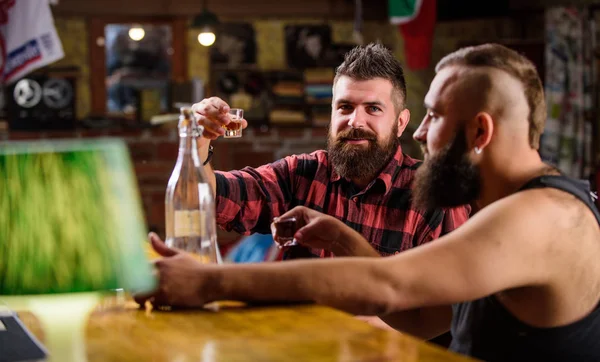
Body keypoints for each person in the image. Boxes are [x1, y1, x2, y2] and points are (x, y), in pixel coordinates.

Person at [137, 43, 600, 361]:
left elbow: (388, 286)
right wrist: (339, 234)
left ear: (480, 132)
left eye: (434, 116)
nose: (420, 133)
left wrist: (211, 283)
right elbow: (417, 318)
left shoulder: (545, 218)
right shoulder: (513, 212)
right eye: (345, 107)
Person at [188, 43, 469, 261]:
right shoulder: (302, 175)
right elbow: (208, 198)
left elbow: (452, 306)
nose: (355, 121)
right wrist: (198, 141)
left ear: (401, 122)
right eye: (345, 107)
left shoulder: (435, 195)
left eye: (373, 108)